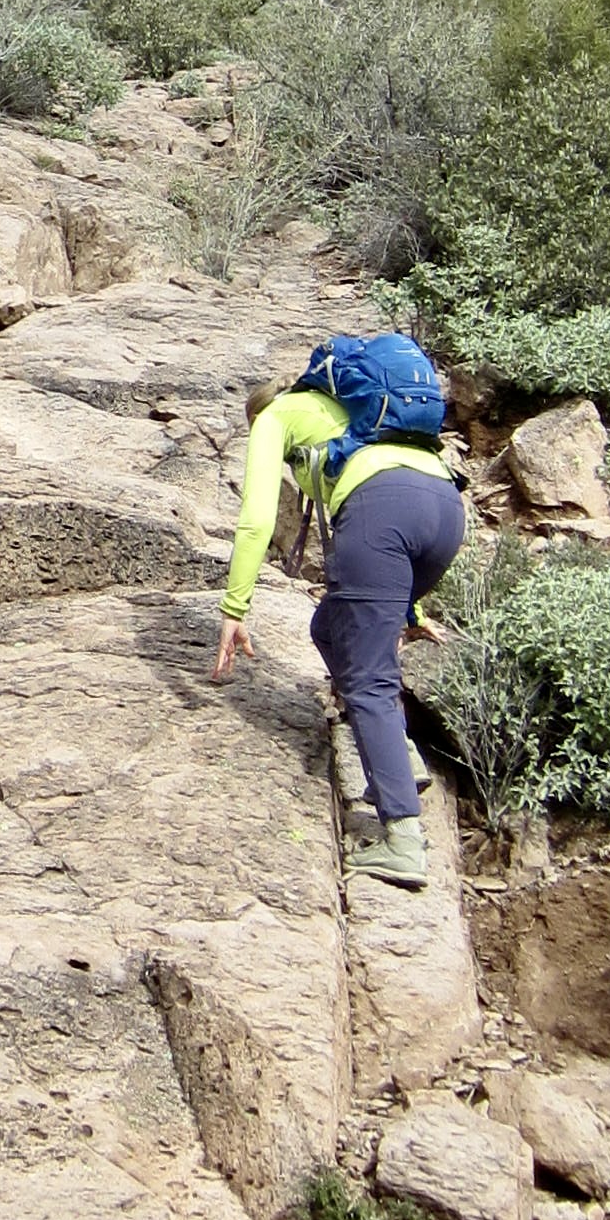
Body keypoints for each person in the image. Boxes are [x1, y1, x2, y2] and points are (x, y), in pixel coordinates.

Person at [210, 355, 467, 888]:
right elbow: (396, 542)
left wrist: (235, 608)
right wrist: (412, 610)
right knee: (329, 628)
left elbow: (257, 519)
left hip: (382, 509)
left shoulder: (274, 418)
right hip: (445, 508)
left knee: (368, 678)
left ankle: (403, 839)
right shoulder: (354, 413)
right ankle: (399, 754)